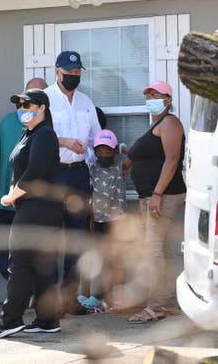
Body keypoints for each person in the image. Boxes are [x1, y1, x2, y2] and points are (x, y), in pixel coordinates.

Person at [0, 89, 64, 338]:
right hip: (31, 208)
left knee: (19, 263)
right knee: (40, 265)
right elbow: (18, 170)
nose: (22, 109)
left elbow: (34, 173)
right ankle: (47, 319)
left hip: (39, 209)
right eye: (19, 105)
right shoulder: (29, 134)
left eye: (27, 104)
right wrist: (13, 192)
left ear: (42, 108)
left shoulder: (44, 135)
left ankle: (10, 320)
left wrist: (11, 196)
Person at [124, 81, 186, 323]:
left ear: (168, 99)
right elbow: (146, 155)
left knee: (152, 250)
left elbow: (171, 160)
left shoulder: (170, 123)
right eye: (148, 93)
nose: (150, 97)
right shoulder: (156, 125)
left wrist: (157, 195)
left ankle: (156, 305)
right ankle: (168, 302)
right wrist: (127, 163)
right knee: (161, 250)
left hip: (164, 196)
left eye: (155, 94)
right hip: (151, 196)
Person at [44, 51, 101, 314]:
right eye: (69, 72)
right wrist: (63, 141)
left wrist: (91, 152)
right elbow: (32, 136)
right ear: (57, 71)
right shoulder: (43, 99)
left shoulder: (86, 102)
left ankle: (69, 297)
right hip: (53, 175)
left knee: (76, 238)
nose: (73, 76)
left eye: (77, 72)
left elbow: (96, 139)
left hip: (79, 175)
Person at [0, 77, 47, 280]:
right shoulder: (8, 121)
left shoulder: (46, 129)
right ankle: (18, 287)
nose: (25, 104)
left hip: (28, 205)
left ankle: (23, 292)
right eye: (25, 97)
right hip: (3, 201)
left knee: (27, 254)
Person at [78, 129, 127, 311]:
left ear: (114, 151)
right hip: (97, 221)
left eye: (108, 150)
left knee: (116, 261)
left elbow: (136, 155)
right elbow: (90, 193)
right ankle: (91, 296)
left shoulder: (120, 165)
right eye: (100, 151)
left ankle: (116, 299)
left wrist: (123, 148)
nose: (103, 154)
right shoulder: (92, 167)